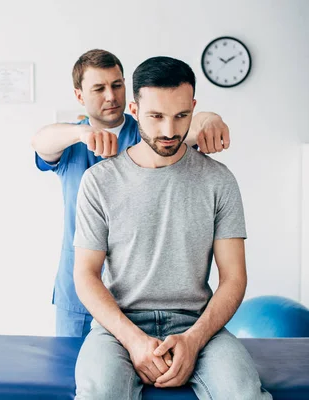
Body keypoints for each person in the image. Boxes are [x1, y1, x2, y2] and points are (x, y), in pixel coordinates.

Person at [72, 56, 270, 399]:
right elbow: (85, 275)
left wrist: (194, 340)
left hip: (199, 324)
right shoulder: (99, 181)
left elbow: (234, 277)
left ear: (194, 107)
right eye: (156, 116)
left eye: (181, 116)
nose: (169, 130)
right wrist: (134, 340)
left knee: (245, 396)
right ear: (134, 109)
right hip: (119, 326)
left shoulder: (218, 180)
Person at [31, 49, 231, 337]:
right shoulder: (70, 143)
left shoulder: (149, 131)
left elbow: (186, 126)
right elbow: (39, 141)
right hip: (79, 290)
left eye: (116, 85)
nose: (111, 96)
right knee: (73, 376)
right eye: (99, 88)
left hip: (135, 297)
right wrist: (83, 133)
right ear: (79, 95)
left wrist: (210, 117)